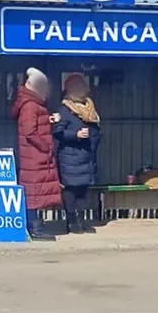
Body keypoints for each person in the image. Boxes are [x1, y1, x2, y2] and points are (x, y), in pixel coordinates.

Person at [10, 67, 63, 241]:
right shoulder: (30, 106)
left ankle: (34, 225)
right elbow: (29, 132)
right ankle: (35, 228)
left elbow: (33, 125)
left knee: (35, 192)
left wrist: (48, 120)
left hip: (34, 156)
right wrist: (46, 147)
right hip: (35, 157)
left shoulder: (33, 105)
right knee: (33, 192)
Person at [52, 74, 102, 234]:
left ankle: (81, 220)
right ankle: (72, 222)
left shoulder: (89, 107)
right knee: (71, 190)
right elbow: (58, 133)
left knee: (83, 190)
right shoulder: (65, 110)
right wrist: (76, 135)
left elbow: (95, 128)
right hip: (70, 157)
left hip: (86, 156)